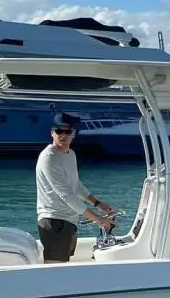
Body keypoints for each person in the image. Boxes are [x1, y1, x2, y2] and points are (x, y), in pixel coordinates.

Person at [34, 112, 114, 263]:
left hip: (70, 221)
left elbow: (76, 185)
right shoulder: (49, 157)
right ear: (52, 133)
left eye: (67, 131)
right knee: (54, 269)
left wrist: (97, 203)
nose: (63, 135)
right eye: (59, 131)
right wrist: (98, 219)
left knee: (63, 266)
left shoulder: (71, 155)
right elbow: (66, 195)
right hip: (54, 221)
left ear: (74, 134)